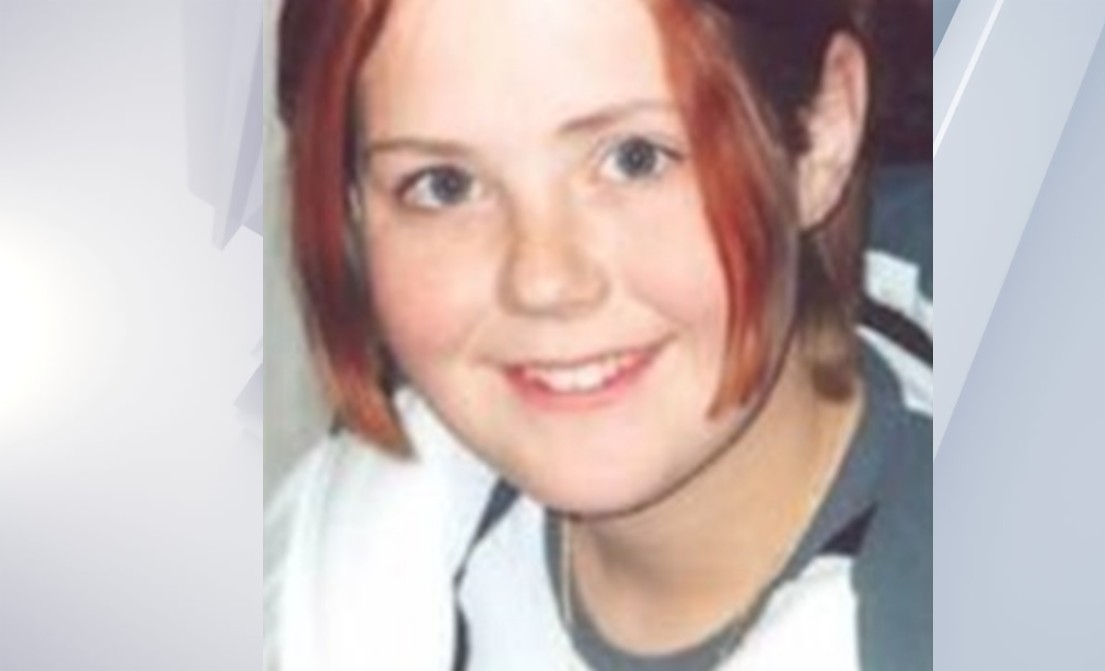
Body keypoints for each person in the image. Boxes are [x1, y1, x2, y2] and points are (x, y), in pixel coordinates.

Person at [266, 0, 931, 669]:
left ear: (819, 135)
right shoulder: (337, 560)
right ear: (354, 211)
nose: (543, 282)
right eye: (444, 185)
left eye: (635, 159)